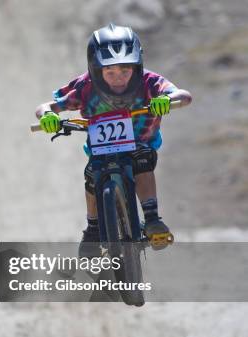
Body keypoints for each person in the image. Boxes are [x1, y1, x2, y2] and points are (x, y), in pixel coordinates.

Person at [35, 23, 192, 256]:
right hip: (101, 149)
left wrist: (168, 100)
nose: (118, 78)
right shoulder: (84, 87)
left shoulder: (149, 81)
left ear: (137, 67)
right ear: (96, 70)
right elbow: (47, 106)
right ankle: (93, 228)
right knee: (91, 176)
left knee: (142, 160)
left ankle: (151, 218)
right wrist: (47, 115)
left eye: (125, 71)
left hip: (141, 142)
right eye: (110, 73)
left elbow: (183, 95)